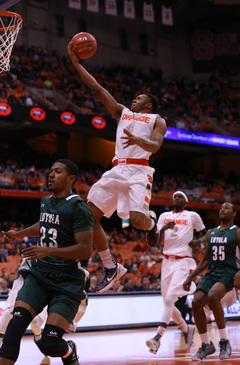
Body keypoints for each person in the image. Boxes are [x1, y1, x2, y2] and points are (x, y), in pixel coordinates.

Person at [68, 42, 167, 294]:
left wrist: (138, 140)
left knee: (136, 221)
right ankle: (111, 266)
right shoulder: (122, 112)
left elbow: (154, 147)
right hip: (117, 169)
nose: (135, 98)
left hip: (139, 171)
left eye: (140, 97)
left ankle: (152, 223)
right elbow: (97, 88)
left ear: (149, 105)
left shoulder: (157, 120)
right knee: (87, 217)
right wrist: (77, 64)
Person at [0, 159, 94, 365]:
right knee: (14, 328)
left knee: (50, 344)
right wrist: (18, 233)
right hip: (40, 274)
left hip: (66, 279)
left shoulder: (79, 207)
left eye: (57, 171)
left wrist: (47, 250)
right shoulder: (45, 200)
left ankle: (68, 350)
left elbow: (86, 249)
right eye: (50, 171)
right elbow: (43, 224)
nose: (51, 174)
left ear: (71, 178)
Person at [146, 190, 207, 354]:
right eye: (174, 197)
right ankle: (188, 329)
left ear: (185, 202)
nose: (176, 198)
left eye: (180, 197)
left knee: (171, 298)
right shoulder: (163, 216)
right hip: (166, 262)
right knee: (168, 304)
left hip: (183, 262)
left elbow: (206, 233)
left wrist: (198, 241)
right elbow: (155, 240)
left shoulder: (192, 215)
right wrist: (164, 227)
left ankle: (157, 338)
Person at [183, 202, 240, 361]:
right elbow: (205, 261)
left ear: (234, 214)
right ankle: (206, 345)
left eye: (227, 208)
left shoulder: (237, 232)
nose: (222, 209)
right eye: (221, 207)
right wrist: (191, 277)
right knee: (196, 302)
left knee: (213, 296)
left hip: (229, 272)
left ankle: (224, 341)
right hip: (213, 272)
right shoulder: (211, 232)